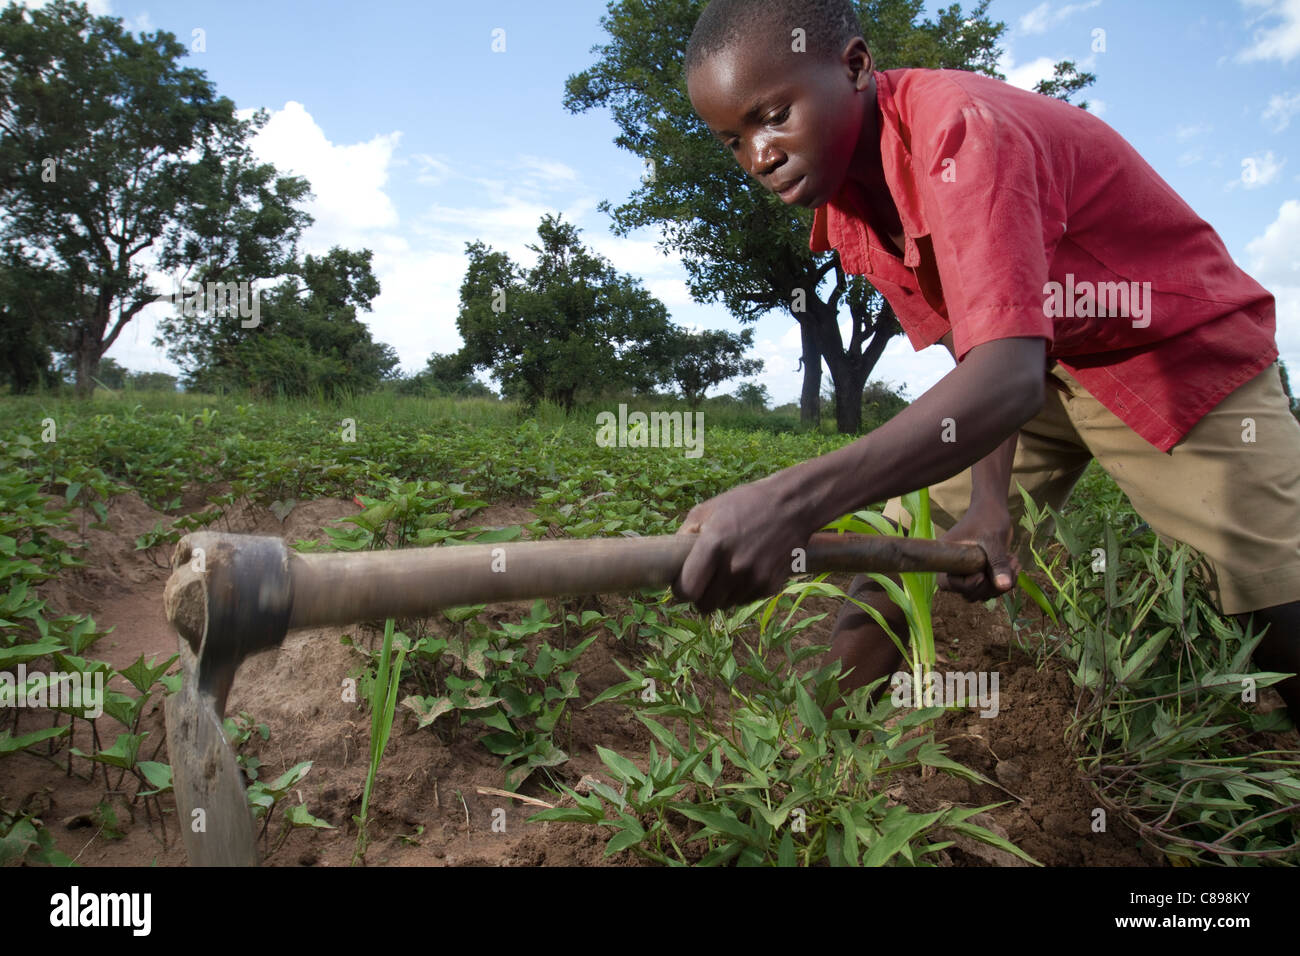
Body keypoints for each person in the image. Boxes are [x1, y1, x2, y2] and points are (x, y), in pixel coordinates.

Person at [671, 0, 1300, 719]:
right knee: (898, 545)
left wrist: (788, 502)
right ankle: (809, 757)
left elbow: (1001, 376)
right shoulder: (850, 199)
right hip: (1037, 365)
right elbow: (984, 360)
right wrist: (987, 503)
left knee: (1270, 594)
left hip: (1172, 354)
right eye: (733, 141)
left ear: (853, 66)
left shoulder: (960, 131)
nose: (759, 155)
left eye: (773, 114)